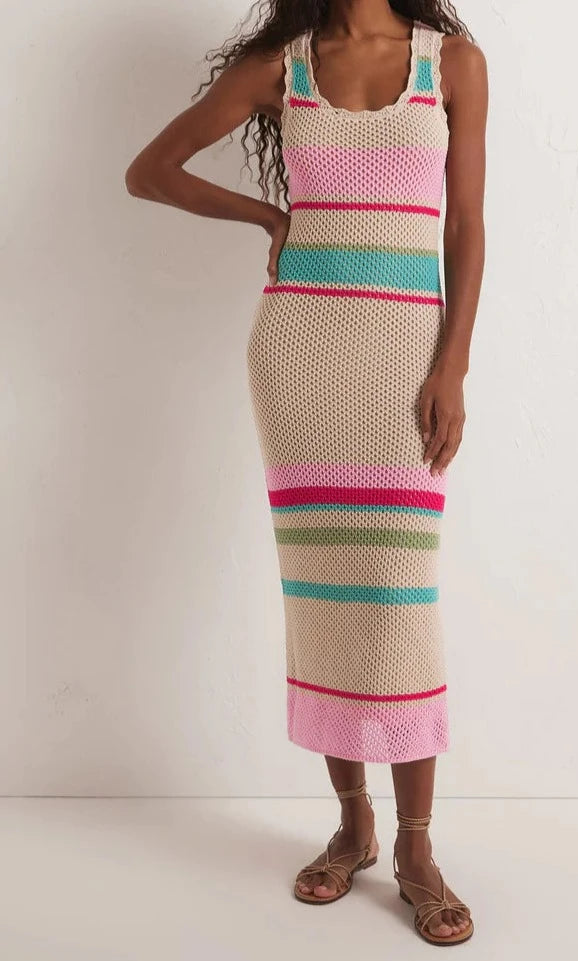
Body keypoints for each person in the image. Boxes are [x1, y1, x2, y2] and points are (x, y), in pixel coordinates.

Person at [125, 0, 487, 946]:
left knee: (397, 591)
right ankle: (352, 825)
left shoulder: (450, 62)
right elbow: (149, 172)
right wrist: (268, 215)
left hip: (407, 354)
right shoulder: (280, 67)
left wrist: (451, 365)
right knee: (323, 588)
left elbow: (465, 223)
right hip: (300, 351)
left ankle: (415, 847)